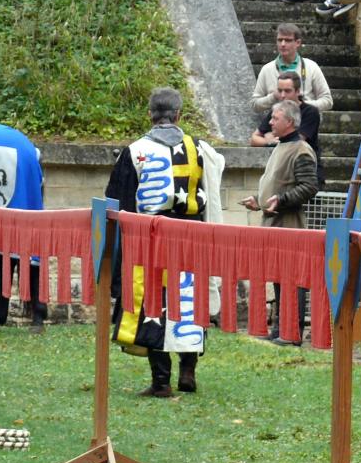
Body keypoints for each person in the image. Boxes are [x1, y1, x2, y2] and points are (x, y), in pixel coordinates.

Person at [106, 87, 225, 397]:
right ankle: (188, 370)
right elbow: (214, 186)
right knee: (190, 301)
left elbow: (119, 202)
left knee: (154, 305)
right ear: (179, 115)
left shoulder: (134, 151)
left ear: (150, 115)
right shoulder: (201, 149)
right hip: (192, 239)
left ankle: (161, 381)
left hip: (151, 240)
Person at [239, 100, 318, 344]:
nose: (270, 122)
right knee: (279, 278)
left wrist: (281, 200)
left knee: (292, 279)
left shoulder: (301, 150)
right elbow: (276, 184)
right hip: (275, 224)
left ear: (290, 122)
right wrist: (259, 200)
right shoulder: (281, 146)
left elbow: (309, 186)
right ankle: (280, 329)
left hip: (290, 225)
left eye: (275, 118)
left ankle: (292, 332)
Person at [249, 71, 323, 188]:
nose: (282, 95)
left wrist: (271, 136)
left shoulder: (310, 112)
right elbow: (254, 139)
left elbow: (295, 140)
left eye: (287, 91)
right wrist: (269, 141)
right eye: (279, 90)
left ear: (298, 91)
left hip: (305, 175)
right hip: (283, 175)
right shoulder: (277, 110)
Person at [251, 23, 332, 113]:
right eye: (280, 40)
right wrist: (273, 97)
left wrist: (302, 105)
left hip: (306, 122)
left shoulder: (311, 67)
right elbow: (255, 105)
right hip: (278, 124)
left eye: (288, 40)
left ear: (298, 43)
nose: (283, 44)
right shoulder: (267, 69)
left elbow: (328, 101)